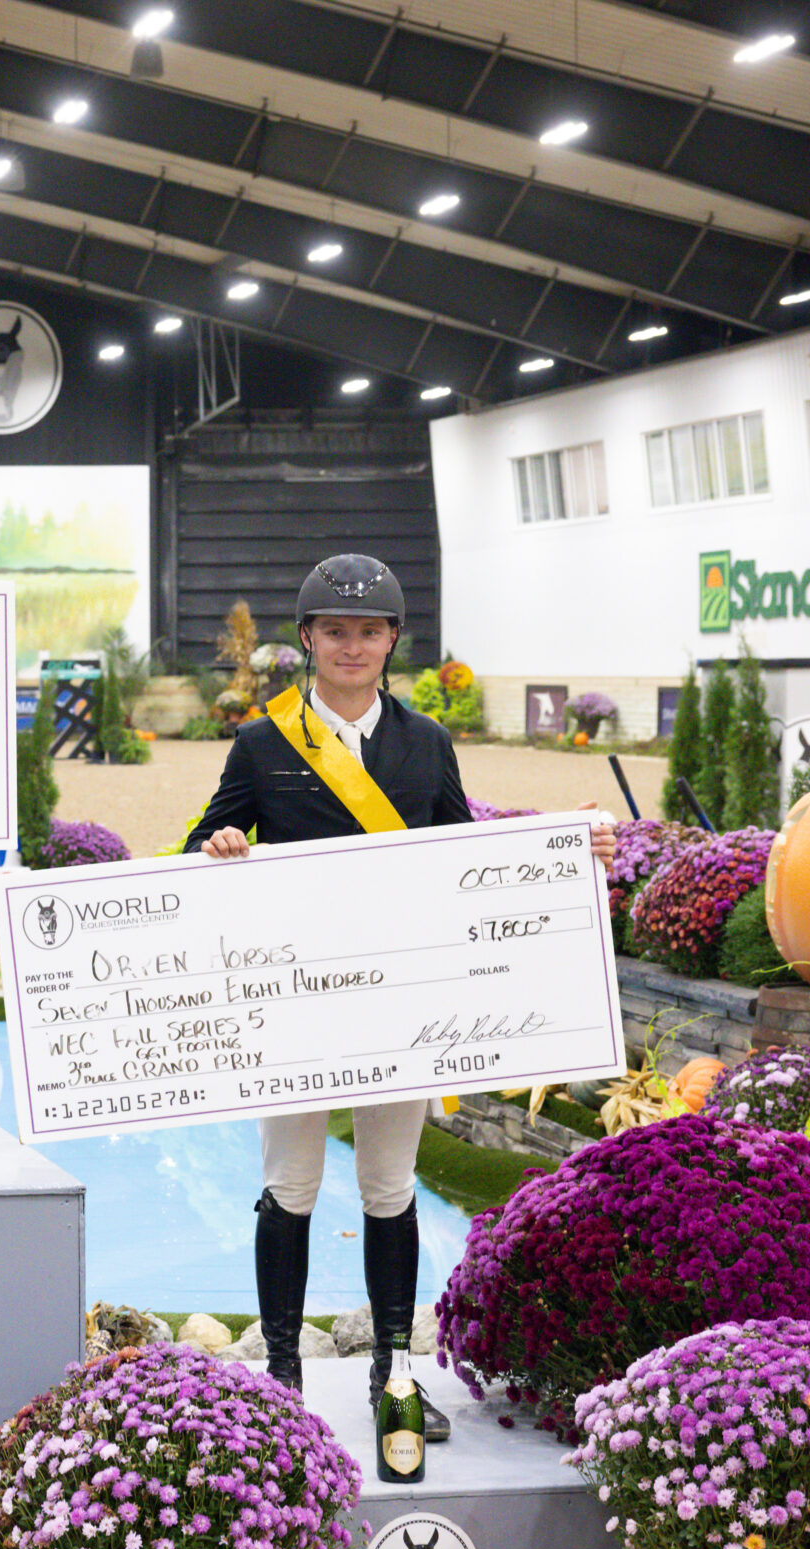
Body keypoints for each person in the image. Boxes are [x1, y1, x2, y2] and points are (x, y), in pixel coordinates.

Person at [182, 554, 614, 1437]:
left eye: (370, 631)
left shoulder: (428, 742)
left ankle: (394, 1370)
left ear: (391, 642)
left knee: (389, 1184)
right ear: (308, 639)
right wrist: (216, 844)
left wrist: (568, 855)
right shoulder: (263, 742)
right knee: (290, 1184)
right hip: (297, 1006)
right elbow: (201, 845)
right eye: (336, 631)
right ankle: (281, 1376)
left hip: (399, 1009)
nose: (353, 646)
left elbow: (466, 857)